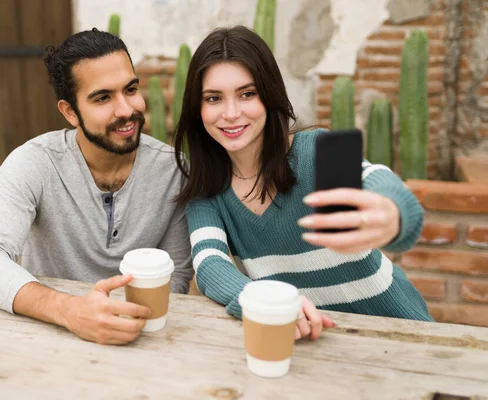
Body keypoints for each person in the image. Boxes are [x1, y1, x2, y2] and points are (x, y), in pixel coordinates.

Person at [173, 25, 433, 340]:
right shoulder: (206, 189)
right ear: (197, 109)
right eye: (214, 98)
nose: (230, 113)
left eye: (247, 94)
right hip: (310, 347)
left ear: (269, 96)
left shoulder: (317, 149)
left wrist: (395, 215)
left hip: (399, 335)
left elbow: (381, 184)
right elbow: (210, 267)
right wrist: (263, 302)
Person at [0, 29, 193, 345]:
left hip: (140, 338)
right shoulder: (34, 162)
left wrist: (121, 322)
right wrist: (70, 311)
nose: (126, 109)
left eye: (131, 89)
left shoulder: (174, 169)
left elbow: (176, 275)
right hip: (45, 332)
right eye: (102, 97)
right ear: (70, 111)